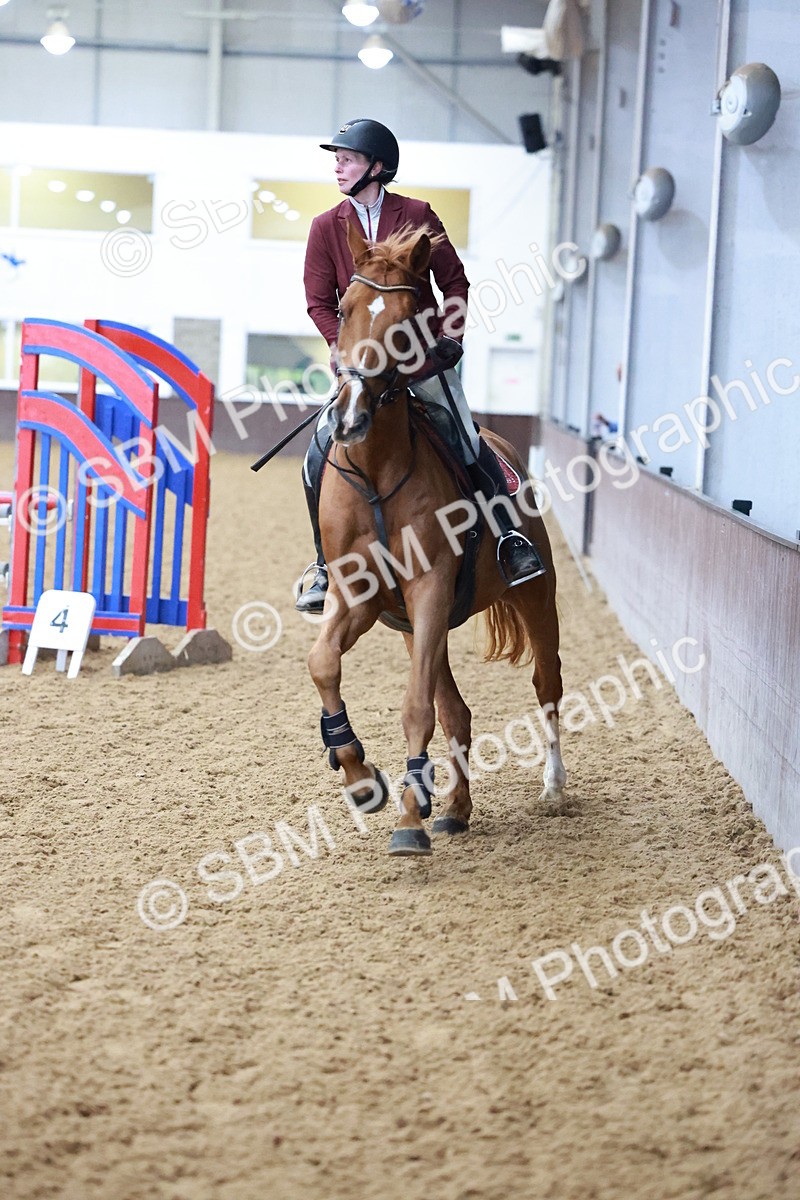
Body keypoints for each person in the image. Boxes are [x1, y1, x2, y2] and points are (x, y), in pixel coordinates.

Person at [296, 117, 545, 614]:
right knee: (318, 452)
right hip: (362, 369)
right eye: (337, 160)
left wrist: (450, 337)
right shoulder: (325, 227)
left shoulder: (417, 214)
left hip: (421, 359)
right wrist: (341, 348)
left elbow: (455, 284)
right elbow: (318, 301)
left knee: (466, 439)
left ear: (377, 167)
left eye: (347, 159)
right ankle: (324, 564)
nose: (338, 167)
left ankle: (508, 539)